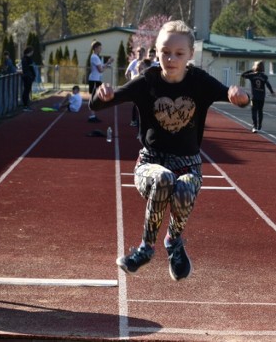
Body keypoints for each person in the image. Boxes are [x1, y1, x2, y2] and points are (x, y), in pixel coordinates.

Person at [89, 20, 250, 281]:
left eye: (178, 53)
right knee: (163, 178)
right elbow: (99, 105)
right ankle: (145, 249)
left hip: (188, 164)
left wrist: (240, 97)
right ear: (156, 51)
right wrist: (102, 95)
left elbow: (234, 95)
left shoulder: (199, 81)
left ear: (190, 55)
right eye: (165, 52)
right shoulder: (147, 81)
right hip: (150, 163)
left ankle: (173, 243)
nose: (170, 59)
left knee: (184, 187)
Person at [241, 60, 275, 133]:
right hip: (261, 97)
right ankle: (260, 126)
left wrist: (251, 70)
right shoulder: (264, 76)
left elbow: (243, 75)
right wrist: (272, 91)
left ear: (255, 67)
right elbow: (268, 84)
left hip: (254, 97)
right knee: (260, 111)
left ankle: (254, 126)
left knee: (254, 111)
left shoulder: (252, 75)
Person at [87, 40, 113, 123]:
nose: (100, 49)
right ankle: (92, 115)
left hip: (96, 79)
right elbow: (101, 70)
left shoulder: (95, 57)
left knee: (96, 97)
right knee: (94, 97)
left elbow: (101, 67)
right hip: (94, 80)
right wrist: (108, 64)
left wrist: (108, 63)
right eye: (99, 48)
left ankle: (93, 115)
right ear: (95, 48)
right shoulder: (94, 57)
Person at [125, 47, 145, 127]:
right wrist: (131, 82)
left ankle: (140, 120)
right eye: (138, 52)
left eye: (141, 52)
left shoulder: (144, 62)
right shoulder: (134, 62)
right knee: (136, 102)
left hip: (142, 84)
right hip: (135, 84)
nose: (140, 53)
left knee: (141, 103)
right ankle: (133, 120)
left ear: (144, 53)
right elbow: (127, 73)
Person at [20, 46, 36, 112]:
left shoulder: (25, 58)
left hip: (27, 76)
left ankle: (26, 105)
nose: (32, 53)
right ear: (29, 52)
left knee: (27, 91)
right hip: (27, 77)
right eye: (32, 51)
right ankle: (25, 106)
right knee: (26, 91)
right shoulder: (27, 59)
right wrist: (32, 76)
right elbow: (30, 68)